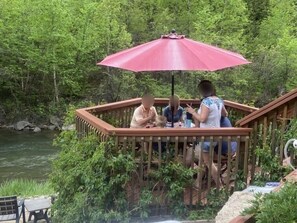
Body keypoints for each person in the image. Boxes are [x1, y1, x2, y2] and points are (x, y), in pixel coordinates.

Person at [186, 80, 228, 187]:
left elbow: (203, 119)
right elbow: (225, 114)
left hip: (207, 136)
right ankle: (198, 182)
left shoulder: (206, 102)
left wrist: (193, 112)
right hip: (216, 135)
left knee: (208, 162)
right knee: (203, 159)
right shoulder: (218, 100)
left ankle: (220, 186)